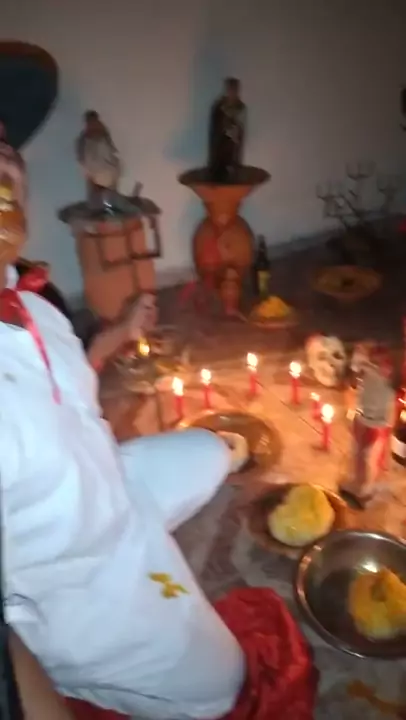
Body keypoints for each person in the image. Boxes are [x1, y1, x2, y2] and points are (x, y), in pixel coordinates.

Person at [0, 195, 245, 718]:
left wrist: (117, 335)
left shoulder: (32, 300)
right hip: (72, 584)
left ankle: (137, 531)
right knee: (221, 685)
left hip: (108, 485)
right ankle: (66, 664)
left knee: (214, 449)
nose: (5, 163)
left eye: (10, 153)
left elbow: (60, 393)